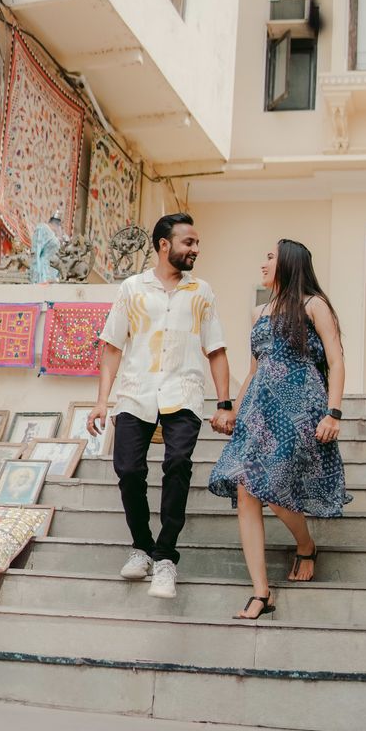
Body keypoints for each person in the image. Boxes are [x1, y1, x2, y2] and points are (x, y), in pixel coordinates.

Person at [88, 213, 232, 599]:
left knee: (177, 466)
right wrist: (102, 401)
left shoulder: (201, 291)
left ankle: (166, 557)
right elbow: (113, 345)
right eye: (189, 243)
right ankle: (142, 547)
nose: (196, 250)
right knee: (128, 470)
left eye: (197, 243)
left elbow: (215, 350)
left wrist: (224, 403)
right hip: (136, 393)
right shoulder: (132, 288)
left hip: (183, 393)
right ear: (164, 245)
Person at [208, 239, 351, 620]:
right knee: (246, 488)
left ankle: (305, 544)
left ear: (289, 263)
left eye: (270, 257)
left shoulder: (313, 305)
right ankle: (261, 592)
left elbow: (336, 360)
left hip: (300, 407)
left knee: (270, 486)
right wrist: (232, 411)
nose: (263, 263)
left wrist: (333, 413)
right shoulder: (258, 312)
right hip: (259, 410)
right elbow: (255, 370)